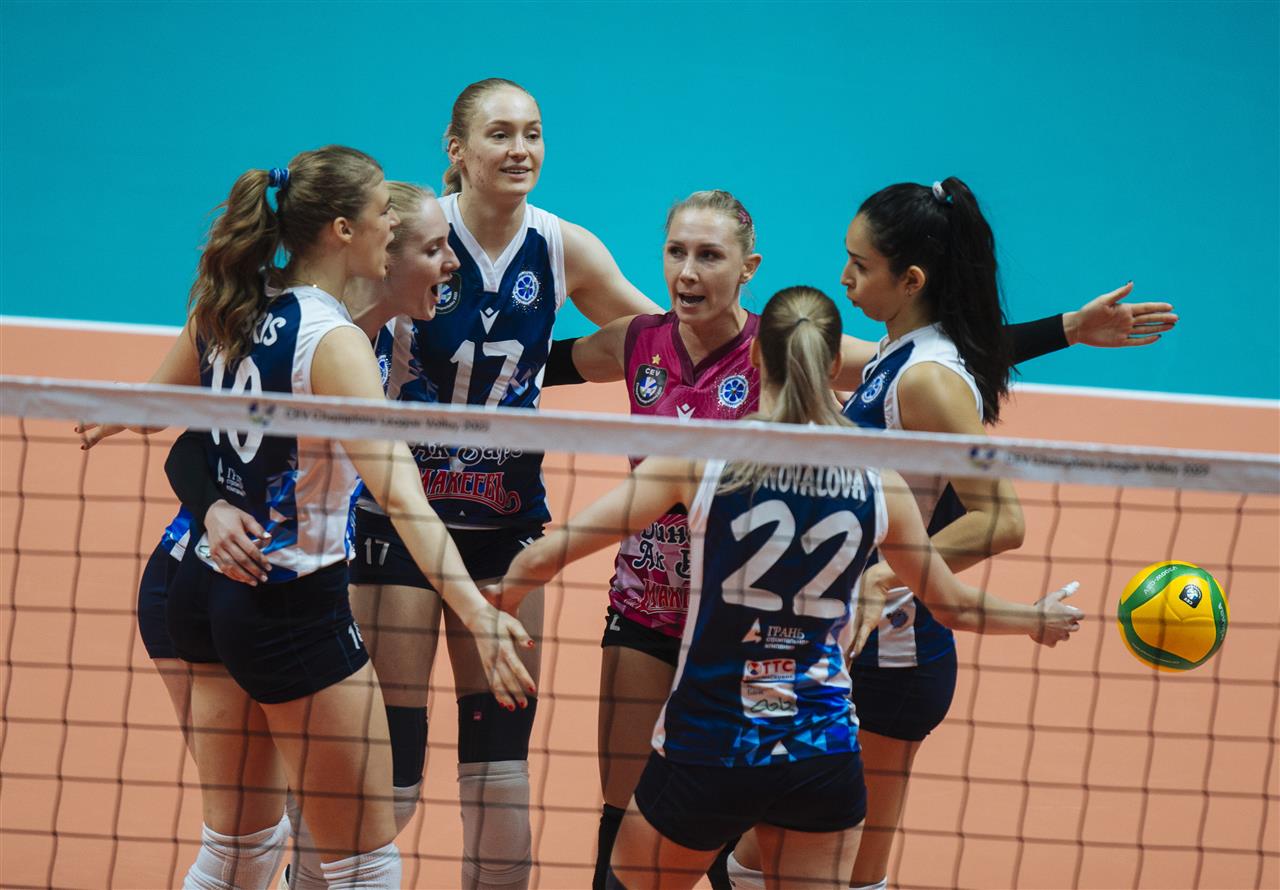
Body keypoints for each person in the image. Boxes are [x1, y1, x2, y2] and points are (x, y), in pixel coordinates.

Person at [547, 190, 1175, 888]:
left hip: (774, 635)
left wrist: (1067, 329)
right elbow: (526, 364)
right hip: (668, 614)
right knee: (655, 831)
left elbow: (933, 367)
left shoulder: (784, 348)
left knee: (744, 835)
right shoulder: (644, 342)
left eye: (709, 255)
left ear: (748, 268)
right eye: (676, 251)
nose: (688, 271)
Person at [492, 284, 1083, 890]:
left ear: (754, 357)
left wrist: (495, 617)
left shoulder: (700, 460)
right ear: (837, 365)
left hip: (712, 742)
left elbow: (545, 557)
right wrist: (1034, 619)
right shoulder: (880, 482)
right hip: (820, 753)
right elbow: (951, 605)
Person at [116, 146, 535, 890]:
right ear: (346, 231)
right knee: (365, 865)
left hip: (208, 589)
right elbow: (401, 495)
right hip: (288, 601)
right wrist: (476, 610)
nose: (394, 229)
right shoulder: (333, 341)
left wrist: (122, 420)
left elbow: (162, 411)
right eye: (384, 218)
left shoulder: (241, 299)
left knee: (239, 850)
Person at [725, 177, 1114, 890]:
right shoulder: (900, 353)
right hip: (840, 641)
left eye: (860, 265)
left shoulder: (927, 379)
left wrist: (885, 574)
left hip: (894, 657)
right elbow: (970, 354)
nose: (844, 277)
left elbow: (1003, 519)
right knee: (761, 852)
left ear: (910, 281)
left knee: (839, 870)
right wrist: (1069, 327)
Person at [343, 77, 661, 890]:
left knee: (500, 771)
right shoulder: (413, 233)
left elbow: (660, 339)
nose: (521, 149)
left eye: (533, 132)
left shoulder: (561, 247)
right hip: (397, 526)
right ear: (456, 149)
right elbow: (326, 323)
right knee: (393, 774)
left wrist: (805, 374)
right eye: (500, 134)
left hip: (507, 528)